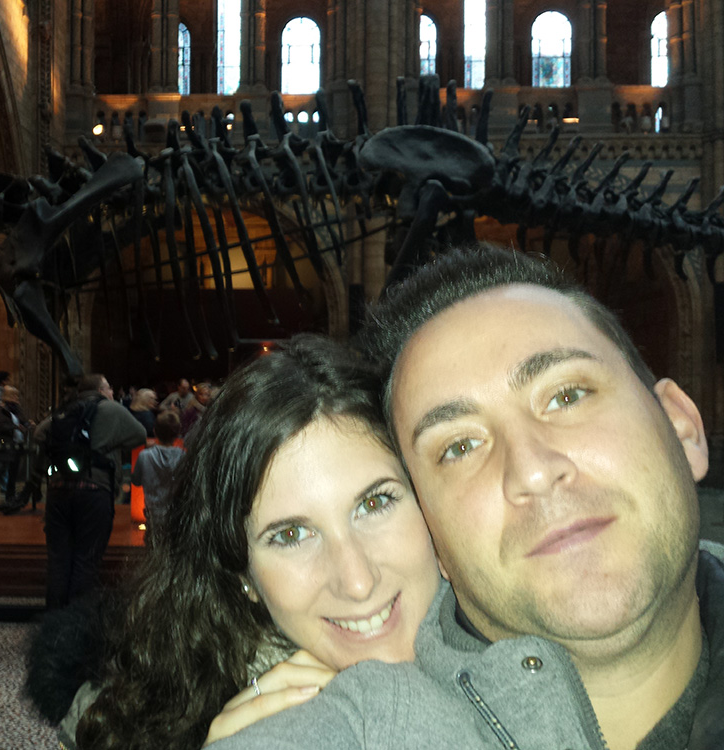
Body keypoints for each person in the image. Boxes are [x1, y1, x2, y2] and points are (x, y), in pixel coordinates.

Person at [213, 245, 724, 749]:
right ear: (436, 539)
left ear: (682, 427)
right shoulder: (356, 724)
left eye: (566, 396)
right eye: (459, 446)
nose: (532, 471)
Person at [37, 337, 441, 750]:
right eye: (290, 535)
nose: (357, 582)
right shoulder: (135, 722)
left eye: (375, 503)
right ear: (241, 574)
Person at [44, 373, 146, 610]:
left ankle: (53, 620)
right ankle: (75, 621)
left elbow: (40, 433)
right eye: (109, 387)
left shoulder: (67, 408)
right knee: (86, 559)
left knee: (58, 560)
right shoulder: (111, 409)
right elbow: (140, 434)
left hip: (58, 489)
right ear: (101, 390)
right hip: (94, 489)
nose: (112, 392)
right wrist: (108, 444)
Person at [130, 410, 183, 533]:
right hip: (175, 514)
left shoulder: (145, 456)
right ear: (177, 434)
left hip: (153, 514)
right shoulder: (182, 456)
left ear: (155, 431)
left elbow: (136, 481)